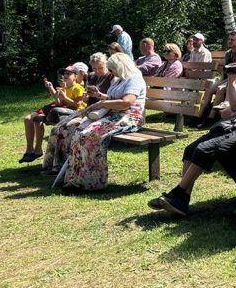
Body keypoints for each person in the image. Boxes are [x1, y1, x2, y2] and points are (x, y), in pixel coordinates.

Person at [148, 46, 236, 215]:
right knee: (190, 148)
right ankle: (182, 196)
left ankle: (179, 195)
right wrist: (231, 80)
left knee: (204, 149)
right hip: (235, 123)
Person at [63, 53, 146, 191]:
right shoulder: (121, 79)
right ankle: (76, 179)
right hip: (115, 114)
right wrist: (100, 96)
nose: (111, 72)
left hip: (129, 116)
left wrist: (103, 103)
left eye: (112, 69)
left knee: (89, 135)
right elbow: (113, 97)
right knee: (78, 133)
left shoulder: (134, 79)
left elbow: (126, 102)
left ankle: (93, 182)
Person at [41, 54, 114, 174]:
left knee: (68, 130)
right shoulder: (91, 77)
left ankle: (66, 166)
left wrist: (97, 95)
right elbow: (85, 100)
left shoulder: (111, 77)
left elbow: (111, 98)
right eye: (94, 68)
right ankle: (51, 166)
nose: (97, 71)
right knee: (57, 129)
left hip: (101, 112)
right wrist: (86, 97)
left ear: (106, 64)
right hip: (87, 110)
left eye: (100, 68)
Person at [19, 66, 86, 163]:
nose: (65, 75)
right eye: (64, 74)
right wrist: (51, 88)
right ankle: (30, 151)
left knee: (38, 118)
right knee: (29, 119)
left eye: (68, 74)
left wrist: (65, 97)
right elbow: (58, 102)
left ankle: (37, 150)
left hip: (74, 112)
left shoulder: (78, 88)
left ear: (75, 77)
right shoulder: (65, 87)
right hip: (59, 108)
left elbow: (77, 105)